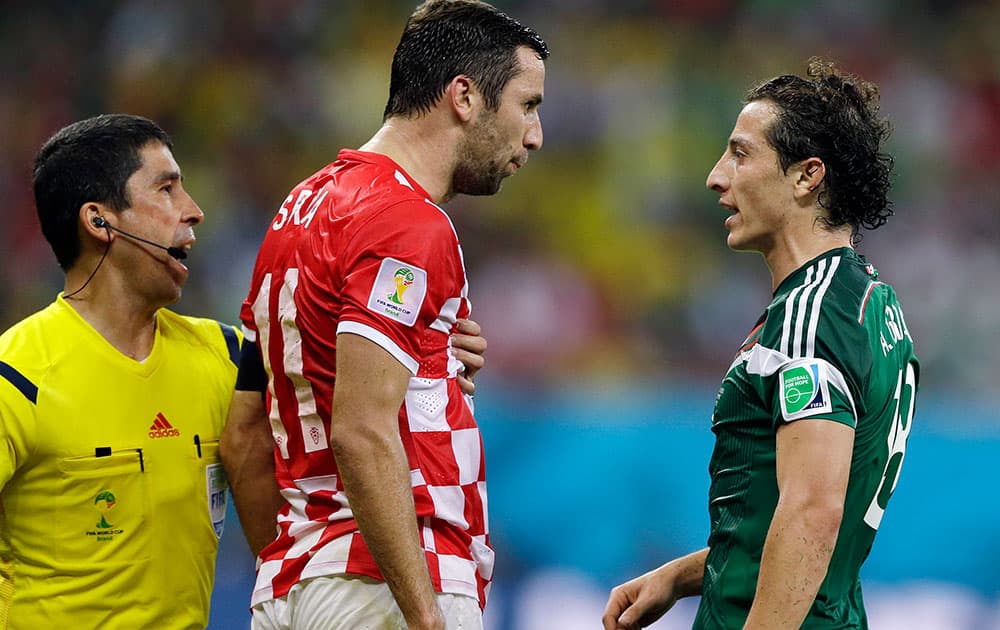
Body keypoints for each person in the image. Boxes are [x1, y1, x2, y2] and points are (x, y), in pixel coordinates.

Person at [219, 1, 548, 629]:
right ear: (464, 96)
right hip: (391, 582)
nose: (534, 135)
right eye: (527, 105)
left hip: (298, 580)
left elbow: (245, 433)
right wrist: (425, 617)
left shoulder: (301, 208)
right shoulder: (408, 223)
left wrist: (292, 564)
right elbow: (360, 431)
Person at [603, 58, 919, 629]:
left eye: (741, 153)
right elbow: (797, 511)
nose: (716, 176)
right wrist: (681, 576)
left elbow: (812, 513)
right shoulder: (869, 303)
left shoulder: (810, 314)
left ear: (806, 176)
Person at [0, 114, 239, 628]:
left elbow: (357, 378)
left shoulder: (228, 357)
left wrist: (444, 344)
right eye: (167, 189)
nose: (194, 211)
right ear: (99, 222)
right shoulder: (16, 377)